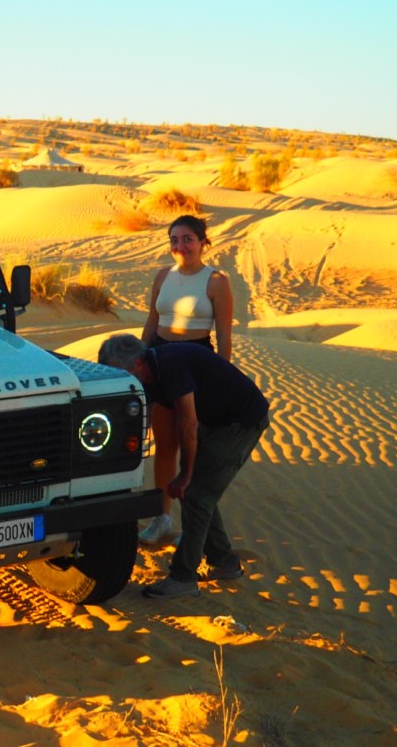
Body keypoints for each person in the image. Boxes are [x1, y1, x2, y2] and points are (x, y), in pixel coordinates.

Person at [98, 334, 268, 598]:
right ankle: (224, 563)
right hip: (216, 420)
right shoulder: (149, 375)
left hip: (239, 422)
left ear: (139, 364)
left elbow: (188, 423)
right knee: (202, 495)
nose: (121, 380)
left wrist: (185, 474)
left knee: (198, 494)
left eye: (122, 373)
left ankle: (183, 577)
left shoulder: (171, 366)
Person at [138, 215, 233, 546]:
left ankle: (195, 526)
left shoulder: (216, 281)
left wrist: (222, 381)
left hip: (198, 364)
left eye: (188, 239)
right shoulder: (163, 276)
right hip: (161, 361)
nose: (180, 246)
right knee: (165, 445)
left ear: (203, 242)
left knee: (195, 450)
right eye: (174, 239)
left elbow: (224, 336)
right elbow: (152, 321)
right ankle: (162, 519)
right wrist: (139, 358)